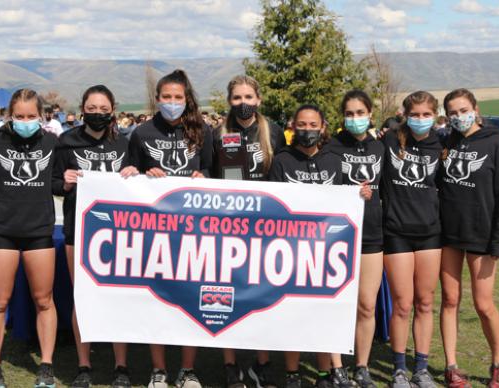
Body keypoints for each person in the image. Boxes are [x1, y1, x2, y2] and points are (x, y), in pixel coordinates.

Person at [269, 104, 370, 388]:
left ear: (323, 127)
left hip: (326, 248)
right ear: (292, 126)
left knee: (325, 309)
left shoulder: (333, 160)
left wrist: (361, 193)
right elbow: (274, 205)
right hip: (290, 248)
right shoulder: (282, 161)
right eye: (302, 124)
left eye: (313, 125)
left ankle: (326, 372)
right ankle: (292, 372)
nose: (307, 130)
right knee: (292, 311)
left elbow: (344, 200)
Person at [129, 69, 212, 388]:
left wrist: (202, 177)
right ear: (157, 99)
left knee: (190, 298)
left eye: (178, 97)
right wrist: (139, 172)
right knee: (158, 299)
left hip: (194, 230)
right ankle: (159, 370)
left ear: (186, 99)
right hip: (157, 231)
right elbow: (130, 172)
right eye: (167, 97)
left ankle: (187, 370)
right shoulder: (141, 133)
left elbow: (210, 170)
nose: (172, 102)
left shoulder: (202, 130)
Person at [53, 84, 138, 388]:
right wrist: (63, 181)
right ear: (83, 108)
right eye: (91, 109)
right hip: (78, 229)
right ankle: (83, 365)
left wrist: (135, 174)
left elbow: (143, 182)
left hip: (119, 232)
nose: (98, 114)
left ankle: (121, 366)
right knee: (82, 296)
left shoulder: (125, 143)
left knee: (117, 294)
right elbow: (52, 184)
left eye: (104, 109)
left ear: (112, 110)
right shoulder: (66, 142)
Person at [210, 74, 285, 388]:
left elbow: (284, 176)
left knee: (262, 296)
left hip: (265, 227)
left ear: (259, 99)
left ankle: (261, 363)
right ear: (230, 101)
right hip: (226, 226)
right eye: (237, 98)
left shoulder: (274, 132)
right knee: (225, 296)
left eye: (248, 97)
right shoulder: (216, 134)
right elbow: (206, 176)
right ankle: (230, 364)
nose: (243, 103)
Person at [0, 88, 59, 388]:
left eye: (31, 116)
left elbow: (57, 181)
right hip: (2, 231)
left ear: (41, 116)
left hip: (39, 231)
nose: (25, 121)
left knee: (44, 300)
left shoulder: (52, 142)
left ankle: (47, 365)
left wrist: (66, 182)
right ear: (9, 116)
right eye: (19, 116)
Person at [438, 88, 499, 388]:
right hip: (448, 235)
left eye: (463, 110)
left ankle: (498, 362)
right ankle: (451, 366)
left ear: (476, 108)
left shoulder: (496, 143)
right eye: (453, 112)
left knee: (483, 305)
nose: (459, 116)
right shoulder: (447, 141)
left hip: (482, 237)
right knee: (450, 300)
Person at [381, 91, 442, 388]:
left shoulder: (442, 143)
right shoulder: (389, 140)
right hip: (396, 232)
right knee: (402, 304)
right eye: (414, 114)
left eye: (426, 114)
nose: (420, 120)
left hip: (431, 232)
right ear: (405, 114)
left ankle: (422, 368)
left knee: (426, 302)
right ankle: (399, 369)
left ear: (435, 115)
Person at [328, 90, 384, 388]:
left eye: (360, 113)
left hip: (372, 234)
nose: (355, 119)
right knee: (335, 302)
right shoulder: (331, 146)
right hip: (337, 234)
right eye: (349, 114)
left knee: (365, 305)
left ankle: (362, 366)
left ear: (370, 114)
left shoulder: (381, 147)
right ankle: (337, 367)